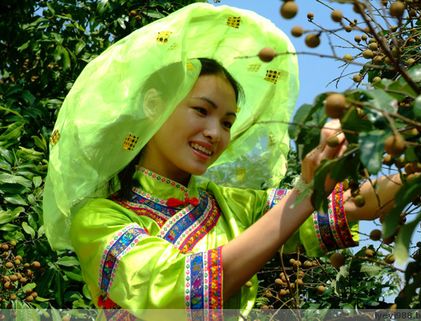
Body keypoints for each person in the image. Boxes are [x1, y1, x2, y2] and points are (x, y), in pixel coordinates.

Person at [42, 3, 401, 320]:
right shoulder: (98, 218)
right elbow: (177, 294)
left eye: (228, 122)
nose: (215, 132)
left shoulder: (230, 204)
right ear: (154, 108)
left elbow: (353, 202)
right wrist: (306, 193)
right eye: (202, 111)